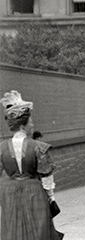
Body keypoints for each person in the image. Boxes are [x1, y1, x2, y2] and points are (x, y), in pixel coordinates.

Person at [0, 90, 63, 240]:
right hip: (34, 191)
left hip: (9, 193)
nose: (32, 124)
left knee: (12, 229)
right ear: (23, 125)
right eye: (31, 121)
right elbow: (46, 175)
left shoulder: (1, 148)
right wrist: (51, 197)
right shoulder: (38, 147)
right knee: (38, 228)